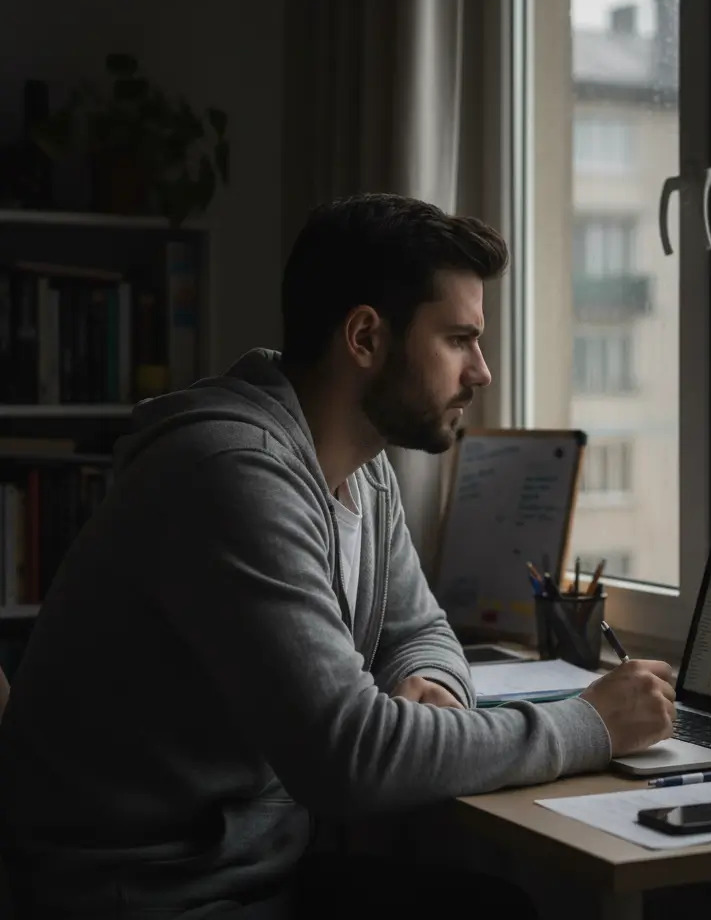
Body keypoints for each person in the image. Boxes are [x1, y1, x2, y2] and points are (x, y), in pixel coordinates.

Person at [0, 194, 676, 918]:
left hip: (255, 874)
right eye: (457, 339)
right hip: (143, 898)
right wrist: (590, 725)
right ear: (364, 337)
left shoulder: (359, 466)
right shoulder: (230, 474)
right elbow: (347, 758)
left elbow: (417, 629)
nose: (481, 372)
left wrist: (428, 683)